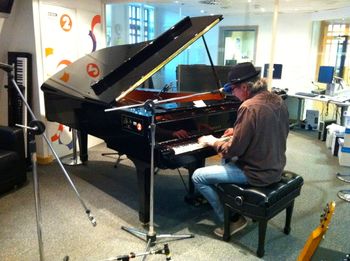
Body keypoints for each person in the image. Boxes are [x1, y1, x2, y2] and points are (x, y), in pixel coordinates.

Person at [192, 62, 289, 238]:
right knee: (225, 161)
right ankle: (235, 203)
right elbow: (269, 131)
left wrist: (212, 141)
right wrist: (237, 132)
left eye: (233, 89)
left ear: (245, 87)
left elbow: (233, 150)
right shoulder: (277, 99)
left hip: (257, 173)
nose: (233, 94)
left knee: (198, 176)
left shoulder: (248, 106)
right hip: (276, 166)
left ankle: (232, 220)